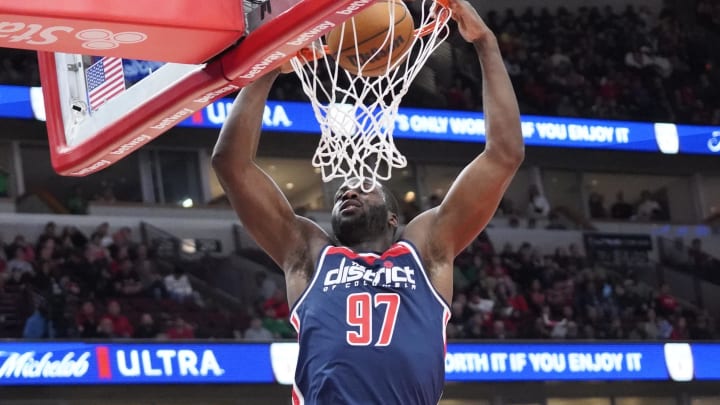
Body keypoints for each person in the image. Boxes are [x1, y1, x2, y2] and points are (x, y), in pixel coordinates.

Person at [211, 0, 524, 403]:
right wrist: (268, 69)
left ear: (394, 217)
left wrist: (486, 43)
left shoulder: (426, 251)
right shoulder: (308, 254)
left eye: (362, 185)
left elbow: (504, 155)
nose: (347, 189)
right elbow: (231, 165)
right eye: (343, 190)